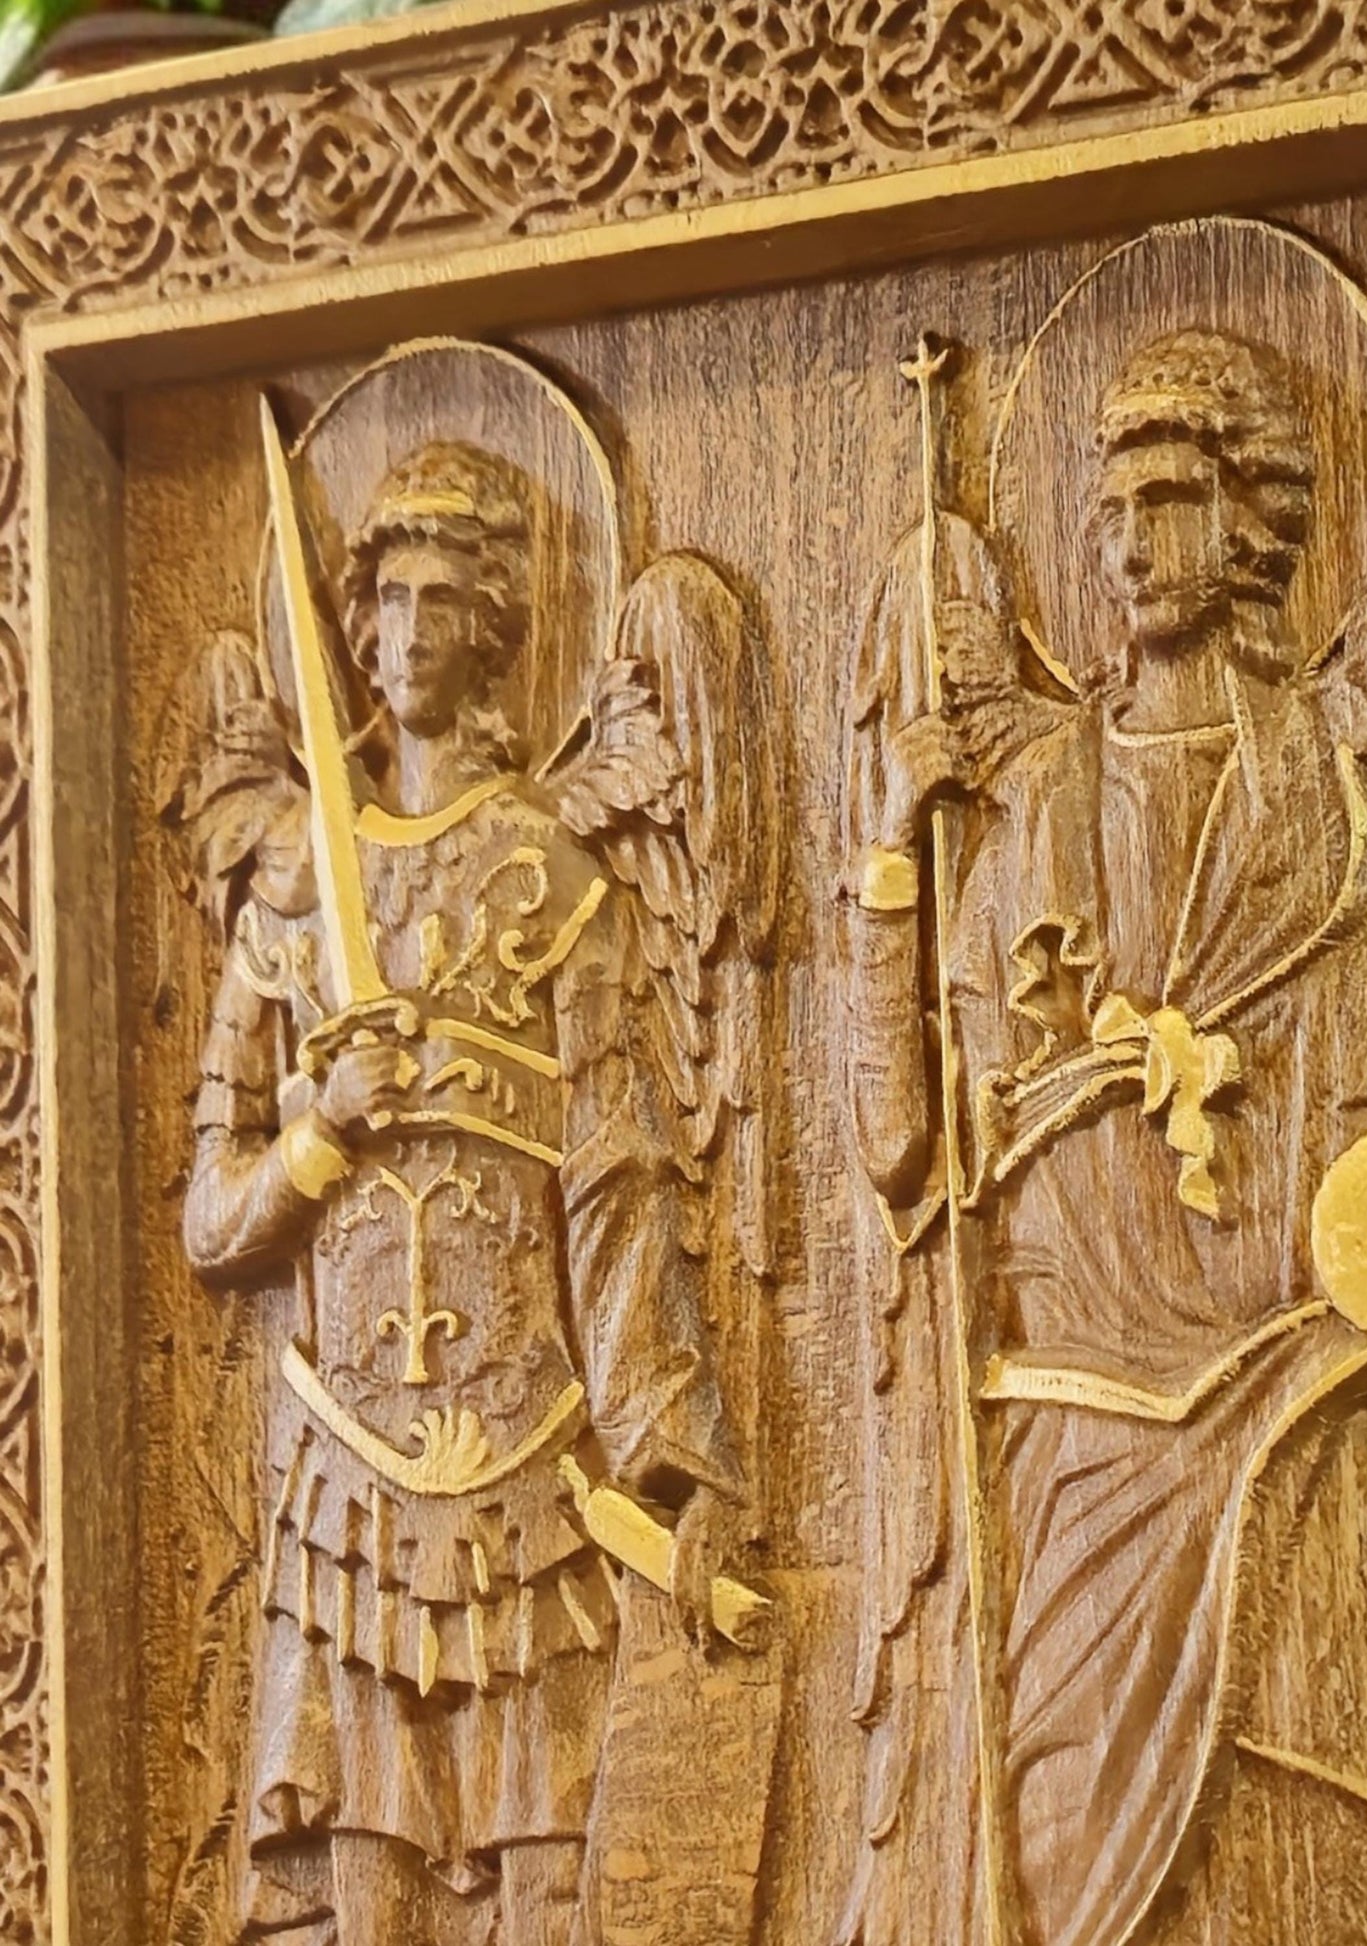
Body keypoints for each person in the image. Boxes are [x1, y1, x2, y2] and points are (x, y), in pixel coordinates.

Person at [843, 330, 1367, 1945]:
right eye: (1108, 508)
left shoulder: (1328, 795)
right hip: (1073, 1426)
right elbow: (901, 1142)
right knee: (1060, 1850)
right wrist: (889, 864)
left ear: (1253, 522)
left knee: (1285, 1840)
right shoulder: (1032, 801)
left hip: (1286, 1409)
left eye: (1168, 498)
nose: (1127, 542)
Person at [184, 441, 744, 1946]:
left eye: (444, 600)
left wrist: (665, 1452)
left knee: (547, 1850)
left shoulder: (552, 875)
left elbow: (617, 1186)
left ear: (494, 631)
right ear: (356, 632)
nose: (411, 631)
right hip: (347, 1462)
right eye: (388, 601)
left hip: (527, 1453)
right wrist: (318, 1136)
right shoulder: (292, 898)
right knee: (366, 1854)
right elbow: (211, 1218)